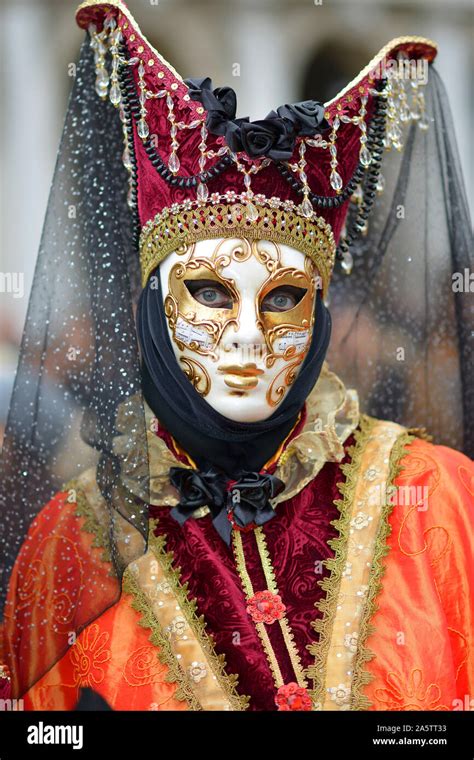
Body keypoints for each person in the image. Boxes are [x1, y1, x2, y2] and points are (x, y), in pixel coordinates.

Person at [0, 0, 472, 712]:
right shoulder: (68, 550)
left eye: (282, 299)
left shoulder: (445, 505)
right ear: (155, 307)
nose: (249, 336)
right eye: (211, 294)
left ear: (320, 310)